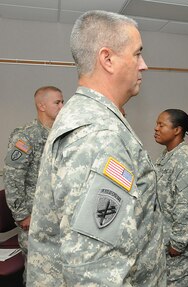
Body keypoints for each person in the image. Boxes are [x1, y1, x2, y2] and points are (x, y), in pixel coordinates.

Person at [27, 10, 166, 286]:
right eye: (137, 54)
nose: (144, 65)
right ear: (107, 59)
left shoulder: (85, 114)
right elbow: (94, 272)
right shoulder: (98, 135)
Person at [4, 85, 63, 282]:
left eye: (63, 101)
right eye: (57, 102)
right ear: (42, 105)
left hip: (58, 218)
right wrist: (22, 214)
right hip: (34, 218)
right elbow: (13, 176)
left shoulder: (60, 135)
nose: (62, 106)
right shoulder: (26, 136)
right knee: (37, 275)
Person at [154, 109, 188, 287]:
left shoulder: (187, 163)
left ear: (177, 130)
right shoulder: (166, 157)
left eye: (161, 125)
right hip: (166, 244)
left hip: (183, 254)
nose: (156, 128)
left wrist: (177, 245)